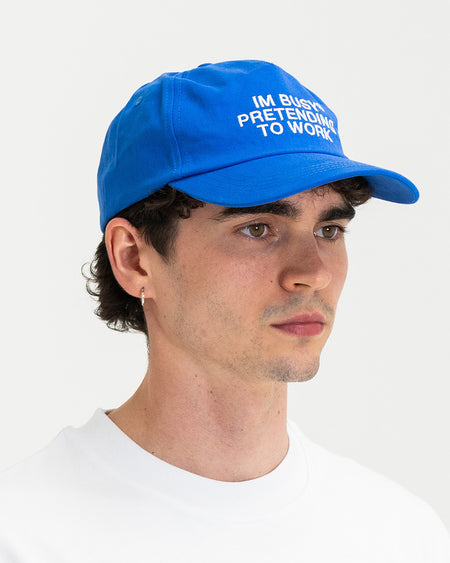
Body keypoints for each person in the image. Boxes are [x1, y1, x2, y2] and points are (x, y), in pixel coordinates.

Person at [0, 59, 448, 562]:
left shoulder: (400, 537)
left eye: (329, 230)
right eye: (257, 228)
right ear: (134, 258)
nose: (314, 273)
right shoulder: (23, 536)